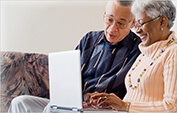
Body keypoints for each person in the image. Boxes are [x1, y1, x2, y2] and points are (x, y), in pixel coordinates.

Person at [8, 0, 141, 113]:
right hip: (78, 103)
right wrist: (82, 98)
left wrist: (101, 100)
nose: (112, 28)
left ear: (133, 23)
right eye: (109, 20)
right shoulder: (89, 39)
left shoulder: (139, 50)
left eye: (121, 23)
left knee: (54, 109)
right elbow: (70, 77)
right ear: (104, 15)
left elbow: (134, 92)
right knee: (20, 102)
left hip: (106, 109)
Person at [83, 0, 177, 112]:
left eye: (141, 24)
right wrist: (110, 102)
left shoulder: (176, 52)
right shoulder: (147, 51)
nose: (137, 30)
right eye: (136, 24)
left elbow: (176, 107)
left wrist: (125, 106)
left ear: (162, 22)